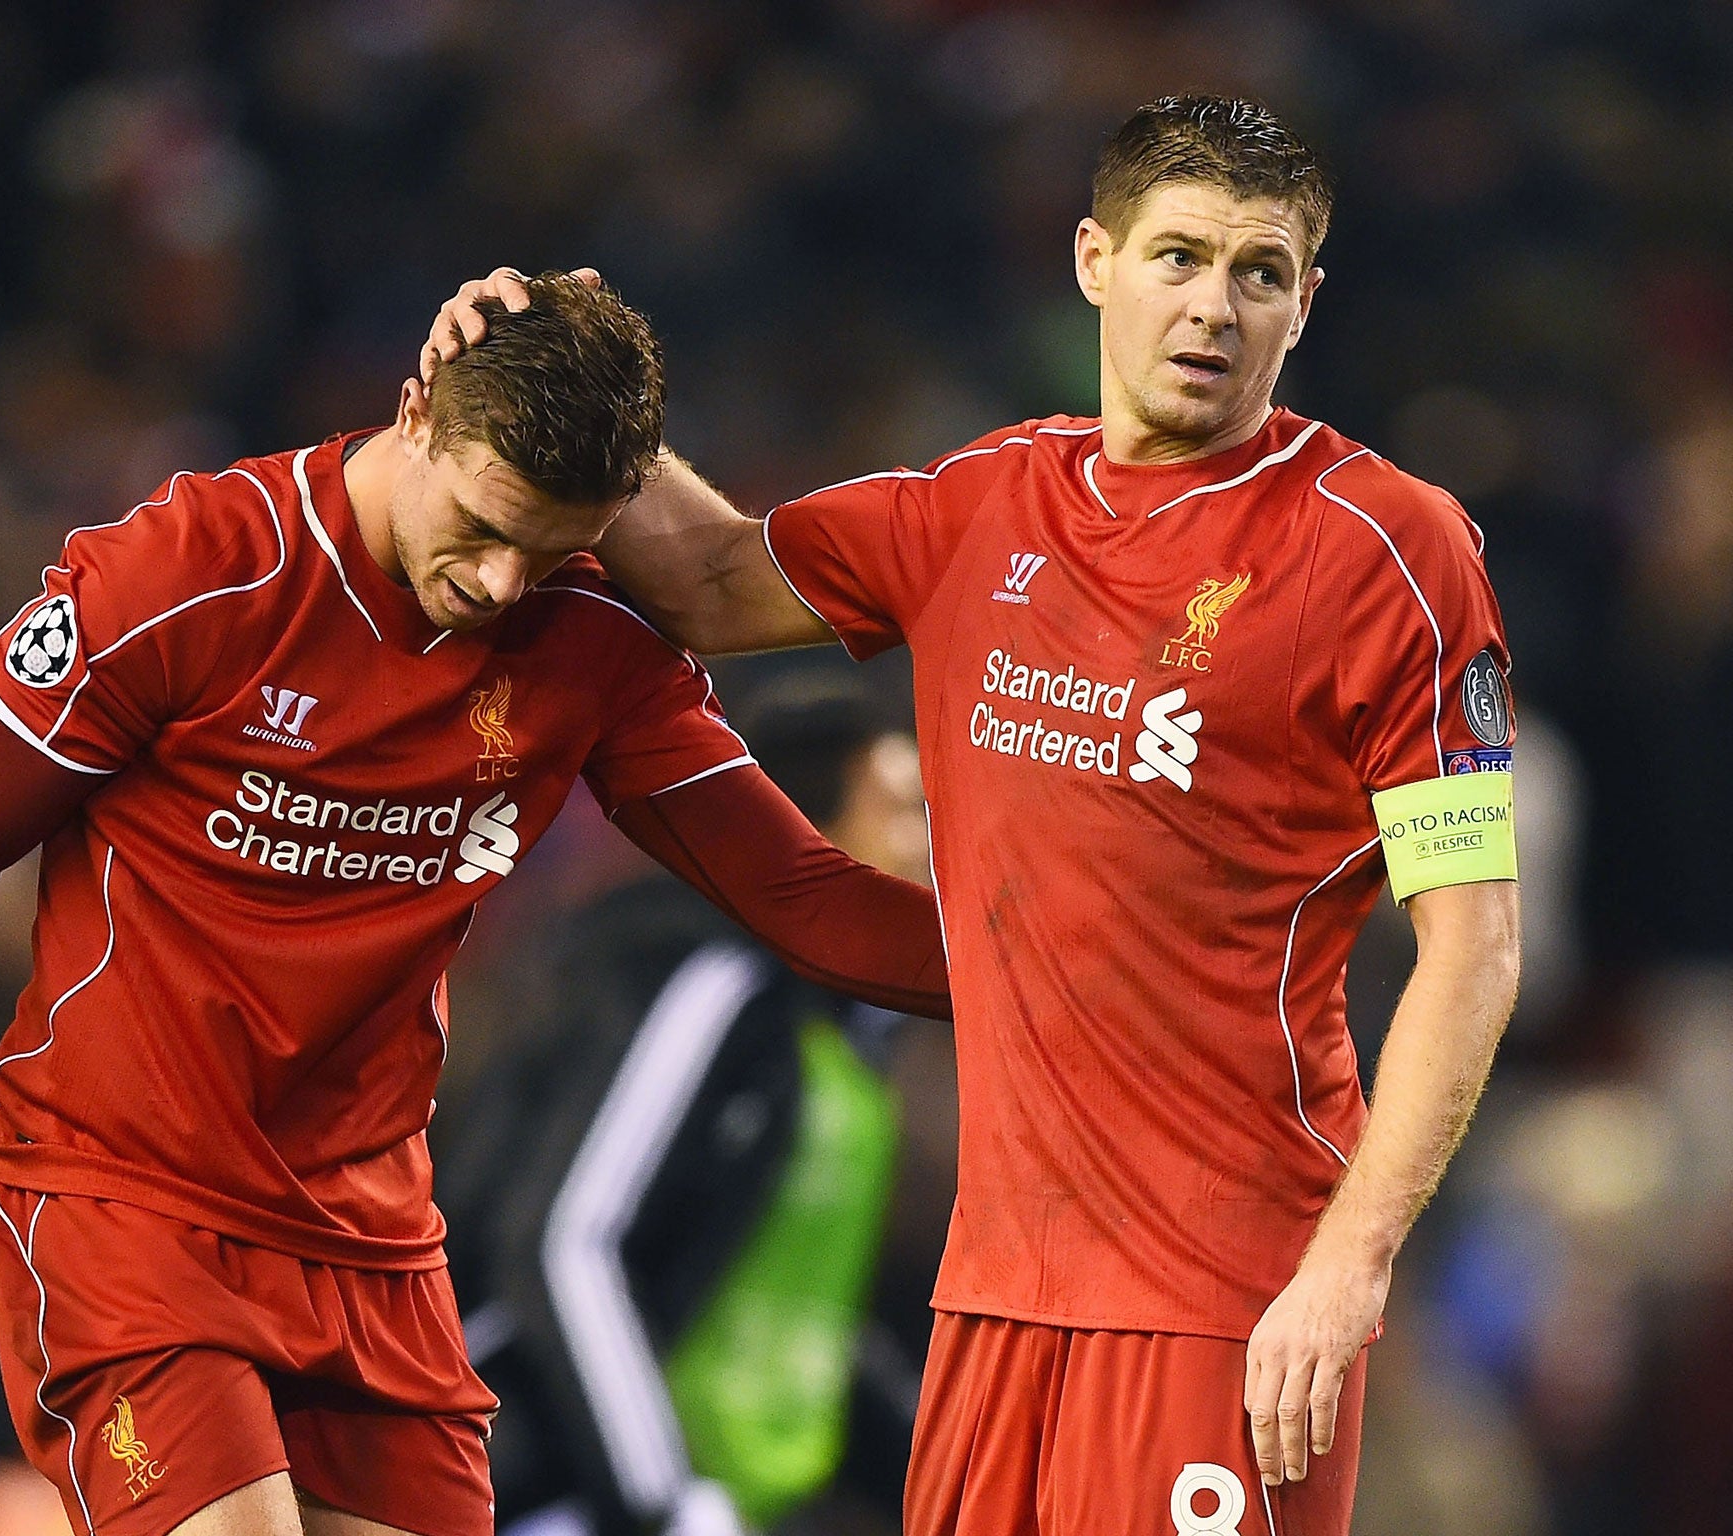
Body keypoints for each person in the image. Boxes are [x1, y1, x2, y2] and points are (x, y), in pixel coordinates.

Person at [428, 96, 1522, 1536]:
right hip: (994, 1302)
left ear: (1305, 304)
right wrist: (537, 358)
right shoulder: (981, 509)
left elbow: (1475, 944)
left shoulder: (1393, 550)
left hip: (1225, 1295)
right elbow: (702, 581)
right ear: (1093, 261)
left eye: (1260, 273)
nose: (1214, 306)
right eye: (1178, 256)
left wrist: (1348, 1265)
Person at [0, 275, 950, 1536]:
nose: (504, 582)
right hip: (129, 1206)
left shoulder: (591, 644)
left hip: (370, 1243)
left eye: (554, 548)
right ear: (414, 415)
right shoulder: (194, 574)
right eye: (481, 525)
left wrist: (1116, 965)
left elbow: (808, 900)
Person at [436, 679, 933, 1536]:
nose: (931, 848)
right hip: (558, 1495)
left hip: (734, 1504)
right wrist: (664, 1505)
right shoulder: (711, 982)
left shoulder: (845, 1038)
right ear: (807, 834)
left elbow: (796, 1299)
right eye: (903, 810)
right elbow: (566, 1244)